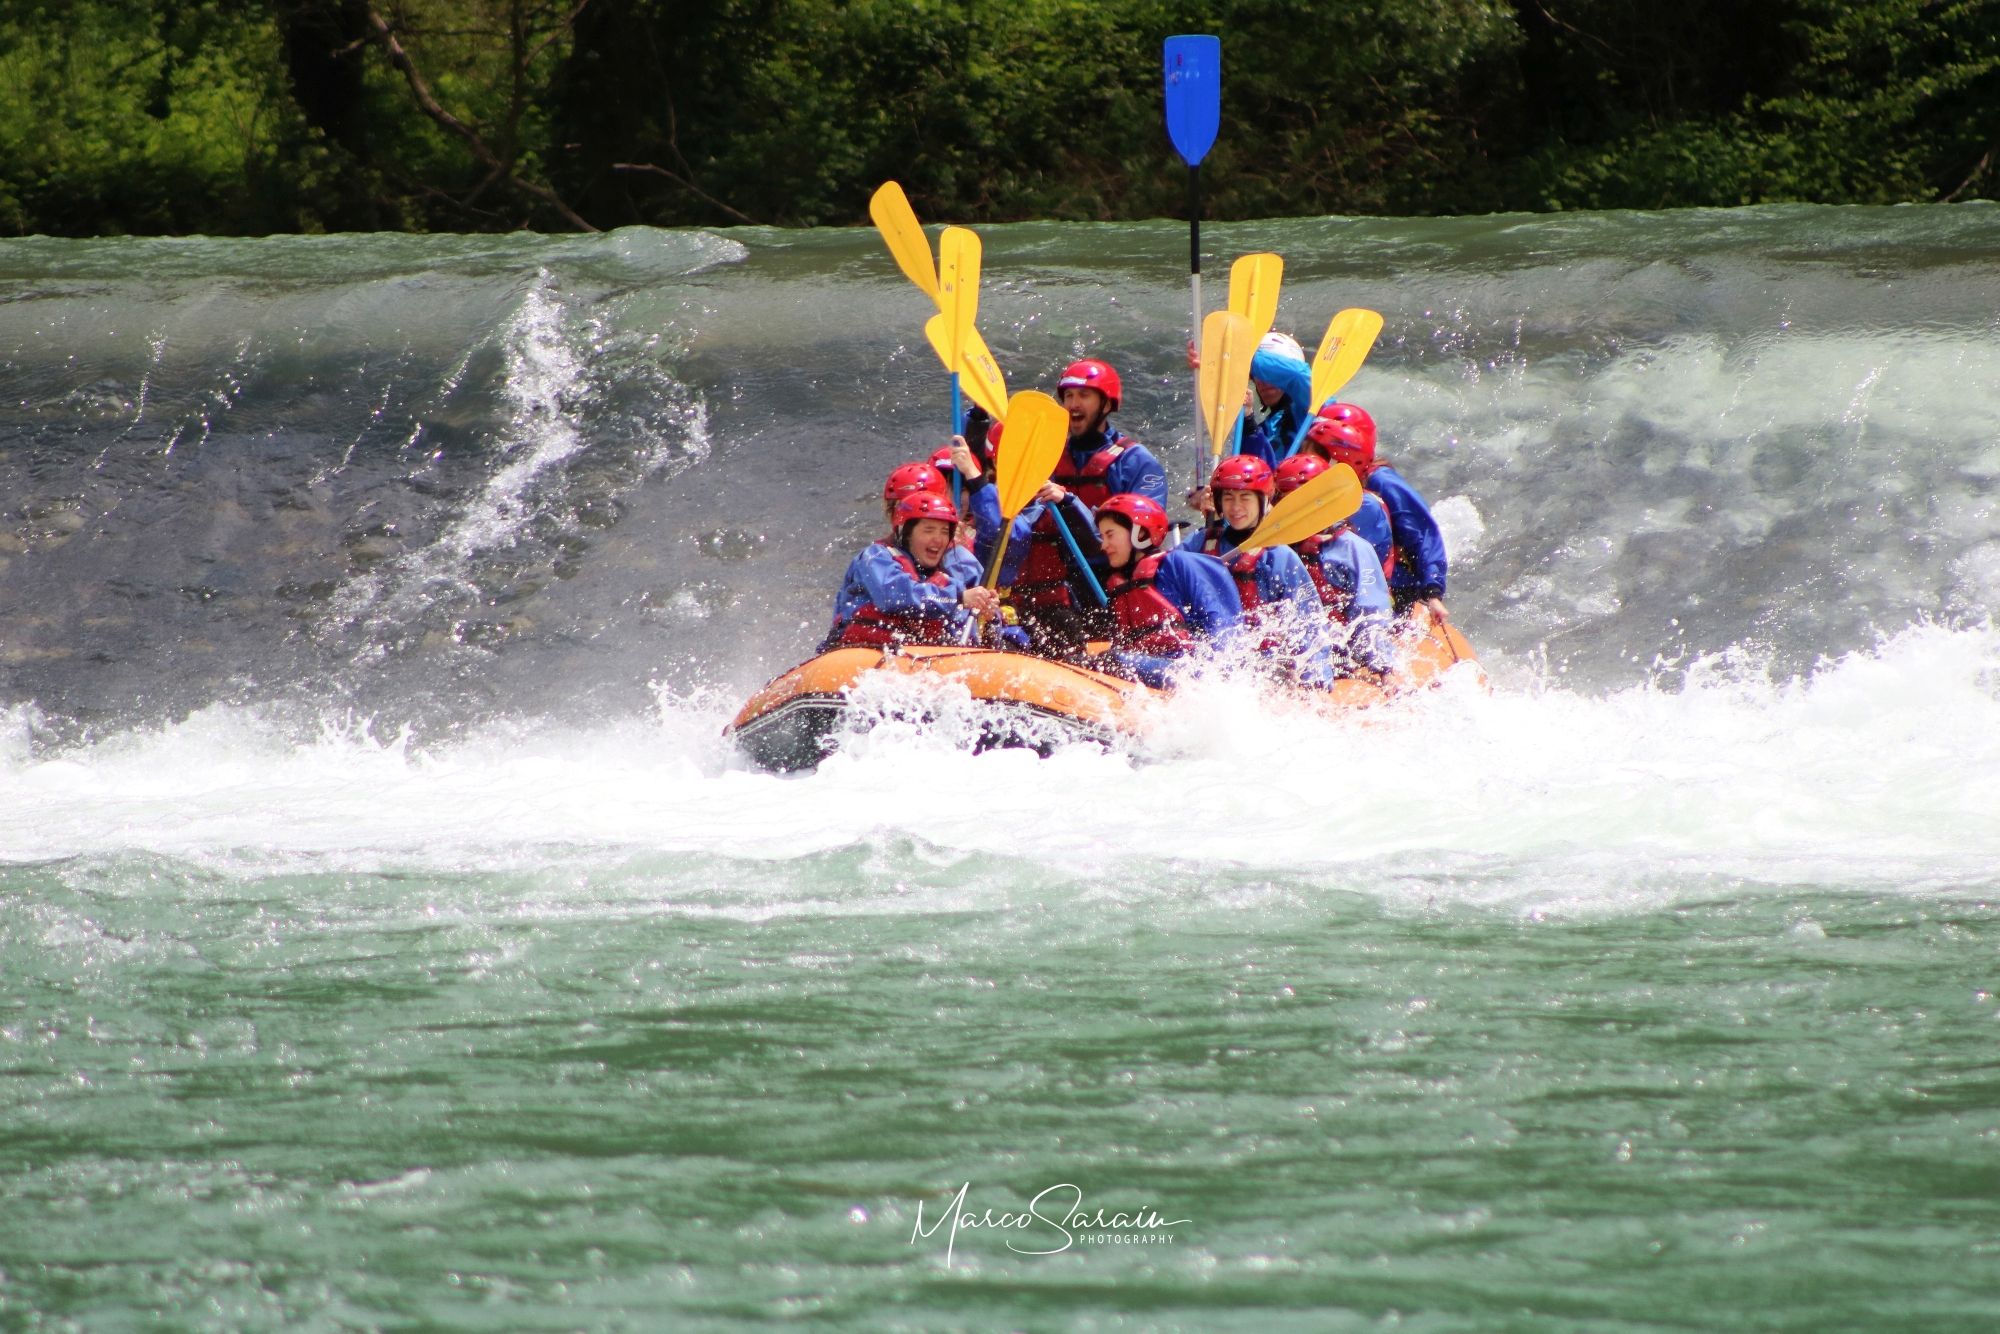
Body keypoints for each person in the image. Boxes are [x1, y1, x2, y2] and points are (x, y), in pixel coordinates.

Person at [983, 359, 1168, 653]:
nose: (1073, 404)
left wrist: (1069, 503)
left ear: (1106, 404)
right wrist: (977, 423)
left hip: (1110, 580)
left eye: (1083, 396)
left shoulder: (1135, 461)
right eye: (1068, 396)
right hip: (1060, 582)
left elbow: (1148, 529)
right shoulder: (1049, 454)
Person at [1181, 455, 1338, 688]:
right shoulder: (1200, 543)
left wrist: (1316, 676)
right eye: (1228, 498)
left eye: (1245, 497)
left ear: (1263, 500)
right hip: (1206, 656)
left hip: (1264, 663)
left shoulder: (1278, 555)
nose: (1235, 507)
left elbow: (1309, 620)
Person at [1301, 404, 1450, 620]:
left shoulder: (1381, 483)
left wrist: (1433, 591)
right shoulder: (1312, 484)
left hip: (1393, 587)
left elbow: (1422, 533)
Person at [1088, 493, 1242, 687]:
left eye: (1110, 535)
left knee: (1111, 660)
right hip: (1151, 671)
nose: (1104, 545)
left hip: (1192, 672)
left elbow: (1222, 629)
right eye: (1102, 537)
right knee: (1084, 660)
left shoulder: (1178, 564)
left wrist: (1219, 676)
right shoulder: (1121, 585)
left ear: (1140, 533)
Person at [1272, 454, 1396, 677]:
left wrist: (1382, 667)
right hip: (1290, 652)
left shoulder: (1355, 549)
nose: (1299, 511)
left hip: (1342, 652)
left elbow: (1371, 614)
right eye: (1289, 503)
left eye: (1307, 501)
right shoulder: (1273, 551)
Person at [823, 491, 998, 648]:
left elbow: (969, 643)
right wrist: (958, 598)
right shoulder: (875, 558)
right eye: (929, 530)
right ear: (906, 533)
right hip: (858, 651)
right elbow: (894, 595)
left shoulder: (946, 583)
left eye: (944, 532)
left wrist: (988, 619)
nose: (938, 539)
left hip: (912, 660)